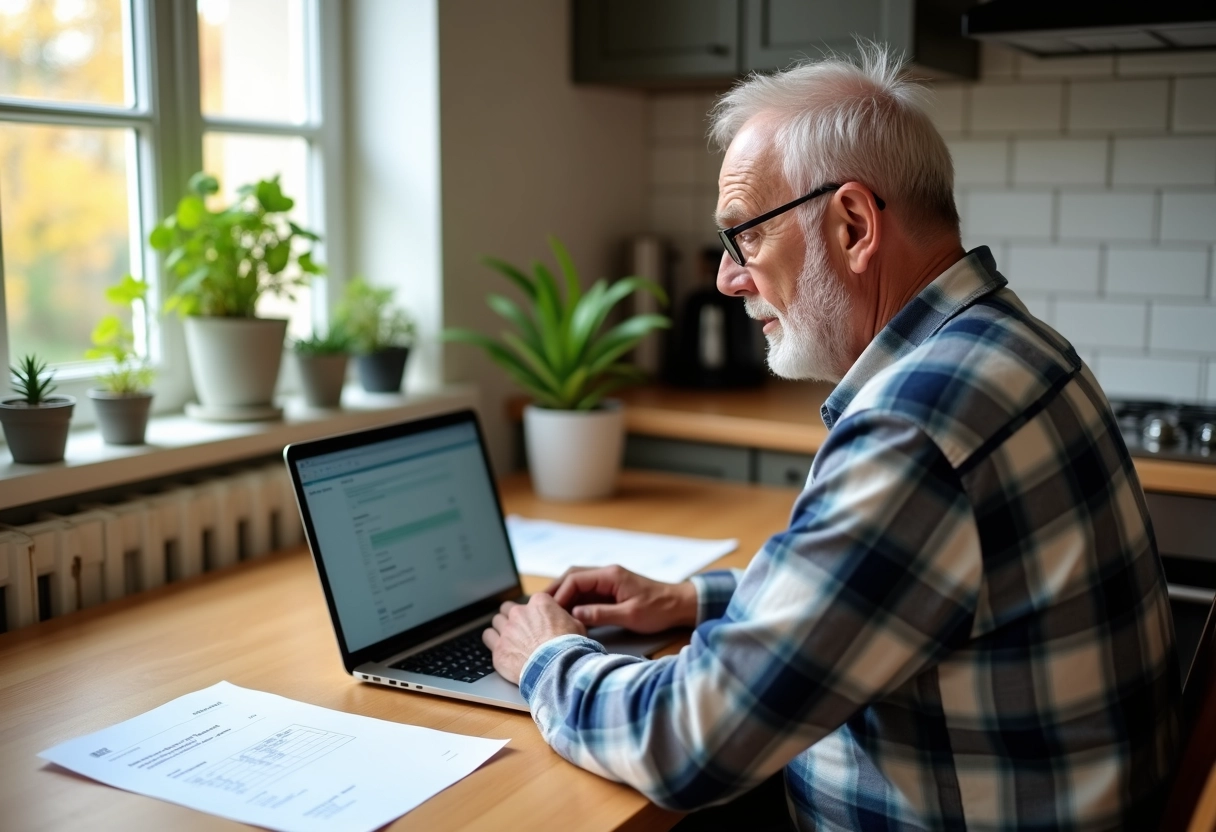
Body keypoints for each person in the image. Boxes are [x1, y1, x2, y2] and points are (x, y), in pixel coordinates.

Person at [483, 46, 1180, 830]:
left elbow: (687, 742)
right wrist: (694, 598)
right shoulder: (1015, 347)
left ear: (852, 224)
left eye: (743, 236)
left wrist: (548, 657)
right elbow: (900, 591)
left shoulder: (915, 426)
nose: (727, 278)